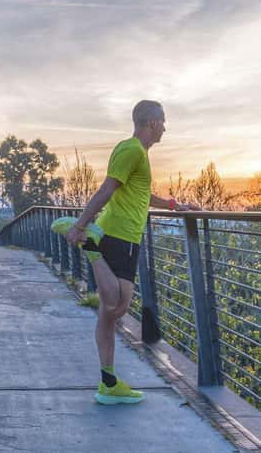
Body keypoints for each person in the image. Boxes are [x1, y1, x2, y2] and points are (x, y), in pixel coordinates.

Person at [65, 100, 199, 405]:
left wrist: (175, 205)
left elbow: (139, 193)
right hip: (118, 234)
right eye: (163, 121)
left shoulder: (135, 154)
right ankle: (91, 247)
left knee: (108, 314)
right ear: (151, 123)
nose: (165, 127)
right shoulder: (132, 151)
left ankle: (108, 383)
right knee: (118, 305)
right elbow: (106, 190)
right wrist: (80, 226)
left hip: (123, 235)